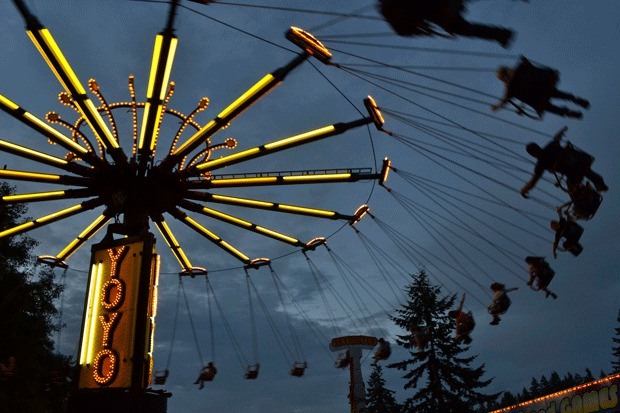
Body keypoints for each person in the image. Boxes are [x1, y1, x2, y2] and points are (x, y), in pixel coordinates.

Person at [378, 0, 514, 48]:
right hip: (440, 11)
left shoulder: (388, 10)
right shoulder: (389, 9)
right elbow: (403, 30)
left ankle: (500, 35)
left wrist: (420, 30)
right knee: (457, 27)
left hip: (439, 12)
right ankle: (500, 35)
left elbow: (403, 30)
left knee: (459, 28)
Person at [520, 127, 608, 198]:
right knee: (586, 172)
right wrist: (562, 131)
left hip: (572, 172)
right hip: (580, 161)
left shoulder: (541, 163)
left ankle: (582, 207)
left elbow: (533, 181)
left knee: (572, 189)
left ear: (533, 154)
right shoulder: (550, 146)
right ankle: (600, 184)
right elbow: (556, 138)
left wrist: (524, 189)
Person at [492, 56, 589, 119]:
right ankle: (575, 100)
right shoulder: (520, 68)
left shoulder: (509, 88)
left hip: (538, 99)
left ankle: (568, 112)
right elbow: (531, 66)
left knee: (549, 107)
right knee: (560, 95)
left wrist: (497, 107)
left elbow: (504, 101)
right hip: (544, 87)